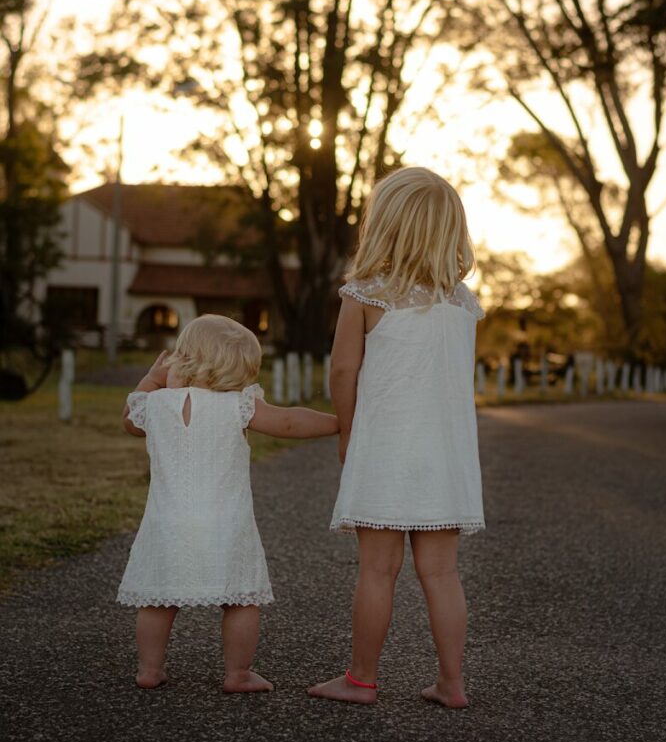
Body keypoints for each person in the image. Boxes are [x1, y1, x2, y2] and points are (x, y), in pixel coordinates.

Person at [308, 167, 486, 708]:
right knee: (443, 573)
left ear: (384, 225)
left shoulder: (366, 294)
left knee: (377, 570)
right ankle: (452, 682)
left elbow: (343, 371)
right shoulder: (463, 303)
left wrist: (347, 432)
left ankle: (361, 679)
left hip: (386, 452)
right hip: (446, 459)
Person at [118, 314, 338, 692]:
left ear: (183, 358)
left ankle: (149, 670)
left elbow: (128, 420)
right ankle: (238, 674)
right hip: (225, 523)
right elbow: (288, 422)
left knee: (158, 600)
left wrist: (152, 379)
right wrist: (338, 423)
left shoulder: (157, 405)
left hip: (167, 523)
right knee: (239, 600)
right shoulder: (238, 405)